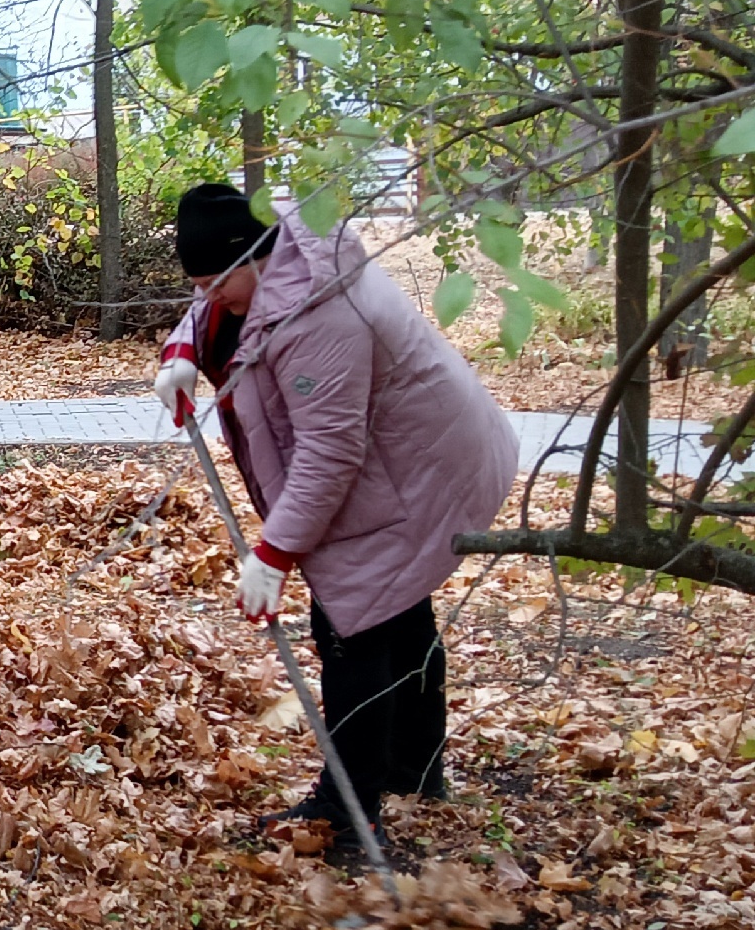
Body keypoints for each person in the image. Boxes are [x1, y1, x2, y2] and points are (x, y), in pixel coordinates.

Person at [155, 181, 517, 858]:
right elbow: (215, 310)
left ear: (251, 258)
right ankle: (414, 769)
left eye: (214, 283)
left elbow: (330, 452)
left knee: (352, 619)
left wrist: (274, 552)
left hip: (421, 466)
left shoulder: (322, 314)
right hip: (404, 454)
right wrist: (182, 354)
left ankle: (352, 806)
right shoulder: (272, 258)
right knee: (396, 607)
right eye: (198, 285)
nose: (207, 299)